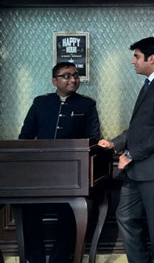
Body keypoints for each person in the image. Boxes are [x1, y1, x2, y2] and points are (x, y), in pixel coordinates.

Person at [98, 37, 154, 263]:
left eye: (136, 56)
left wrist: (130, 154)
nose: (133, 61)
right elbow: (140, 127)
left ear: (151, 58)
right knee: (125, 216)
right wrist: (115, 143)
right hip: (137, 171)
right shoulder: (151, 85)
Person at [19, 61, 101, 263]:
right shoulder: (41, 103)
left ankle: (60, 259)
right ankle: (35, 259)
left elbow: (92, 138)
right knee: (29, 211)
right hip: (39, 173)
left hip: (71, 174)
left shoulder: (87, 105)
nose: (73, 79)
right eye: (66, 76)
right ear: (54, 81)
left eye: (75, 75)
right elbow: (25, 136)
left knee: (69, 214)